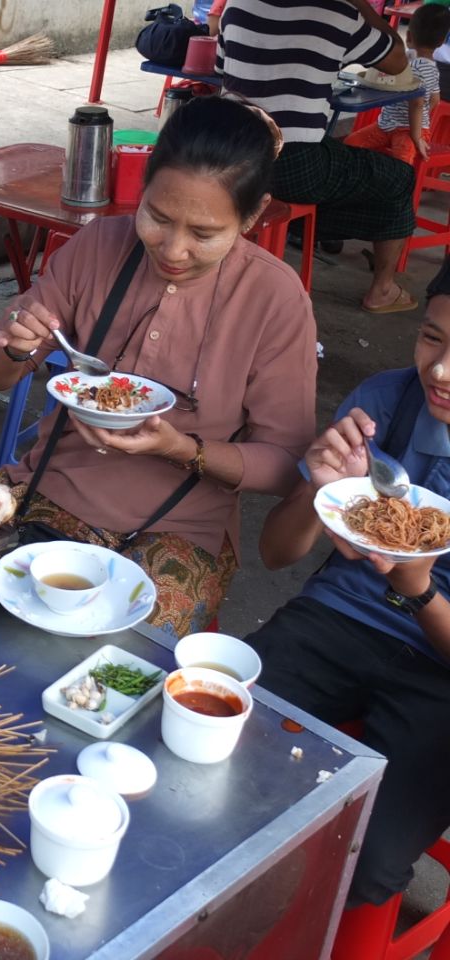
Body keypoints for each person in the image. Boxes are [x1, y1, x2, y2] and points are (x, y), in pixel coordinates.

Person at [0, 97, 317, 637]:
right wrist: (15, 345)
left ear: (252, 216)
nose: (174, 249)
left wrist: (181, 449)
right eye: (157, 217)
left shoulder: (275, 299)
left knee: (115, 663)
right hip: (48, 487)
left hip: (178, 530)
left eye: (204, 234)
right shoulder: (100, 246)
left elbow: (284, 464)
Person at [248, 260, 450, 922]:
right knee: (206, 737)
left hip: (438, 671)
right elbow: (277, 553)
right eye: (432, 339)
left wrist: (419, 590)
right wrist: (322, 487)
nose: (441, 372)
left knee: (364, 859)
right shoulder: (386, 404)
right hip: (336, 618)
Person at [219, 0, 418, 313]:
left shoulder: (237, 5)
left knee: (341, 158)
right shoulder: (336, 11)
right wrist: (363, 6)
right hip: (293, 161)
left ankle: (302, 230)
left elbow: (221, 69)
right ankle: (382, 290)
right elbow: (396, 63)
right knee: (400, 176)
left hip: (229, 152)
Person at [344, 4, 449, 165]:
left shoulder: (405, 61)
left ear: (408, 36)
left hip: (406, 131)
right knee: (401, 161)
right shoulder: (430, 68)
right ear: (442, 41)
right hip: (389, 127)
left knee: (352, 143)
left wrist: (416, 136)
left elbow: (417, 104)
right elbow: (434, 99)